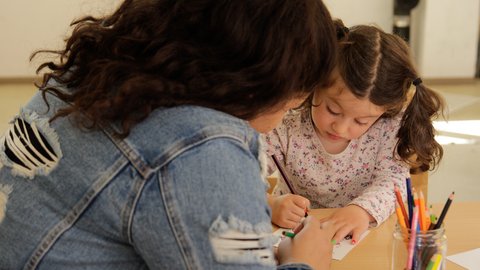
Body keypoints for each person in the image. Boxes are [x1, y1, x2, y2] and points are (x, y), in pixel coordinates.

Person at [0, 0, 340, 269]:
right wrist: (304, 261)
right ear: (253, 87)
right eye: (284, 109)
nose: (279, 122)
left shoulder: (92, 71)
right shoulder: (201, 150)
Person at [265, 20, 445, 245]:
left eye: (361, 121)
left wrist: (361, 211)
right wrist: (268, 204)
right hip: (295, 235)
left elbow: (394, 181)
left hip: (363, 239)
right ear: (315, 85)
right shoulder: (287, 118)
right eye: (332, 110)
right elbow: (240, 172)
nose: (340, 128)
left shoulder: (388, 126)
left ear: (383, 113)